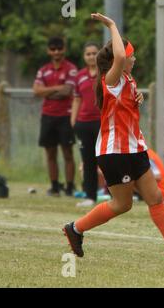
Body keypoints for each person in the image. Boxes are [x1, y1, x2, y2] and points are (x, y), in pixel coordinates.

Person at [63, 13, 164, 261]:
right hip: (114, 152)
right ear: (122, 58)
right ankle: (75, 229)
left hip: (134, 148)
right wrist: (113, 25)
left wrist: (138, 98)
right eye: (131, 55)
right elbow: (118, 56)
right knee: (121, 205)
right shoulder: (111, 78)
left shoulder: (127, 79)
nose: (134, 58)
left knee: (155, 197)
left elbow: (125, 101)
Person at [33, 36, 78, 197]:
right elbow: (36, 90)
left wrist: (47, 90)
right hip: (47, 115)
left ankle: (70, 186)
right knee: (50, 153)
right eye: (53, 49)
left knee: (67, 152)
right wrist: (57, 88)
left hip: (66, 116)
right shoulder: (43, 69)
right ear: (48, 51)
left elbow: (67, 91)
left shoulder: (71, 68)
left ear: (64, 49)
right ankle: (54, 186)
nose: (56, 52)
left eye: (59, 48)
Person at [70, 42, 101, 208]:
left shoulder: (106, 73)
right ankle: (90, 196)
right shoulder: (80, 75)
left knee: (107, 160)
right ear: (84, 56)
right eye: (88, 54)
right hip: (83, 123)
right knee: (88, 161)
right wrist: (73, 121)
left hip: (101, 123)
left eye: (94, 53)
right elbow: (76, 99)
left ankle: (114, 195)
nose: (91, 56)